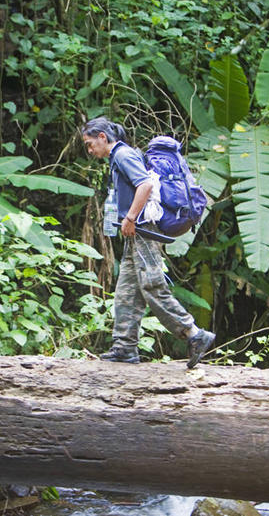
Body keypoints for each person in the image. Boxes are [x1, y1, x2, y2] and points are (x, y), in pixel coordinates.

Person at [81, 116, 215, 368]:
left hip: (143, 228)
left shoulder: (123, 155)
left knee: (152, 285)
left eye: (90, 144)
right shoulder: (118, 157)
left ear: (102, 137)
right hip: (137, 232)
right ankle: (124, 346)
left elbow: (144, 185)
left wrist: (130, 217)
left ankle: (194, 334)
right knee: (126, 290)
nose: (90, 150)